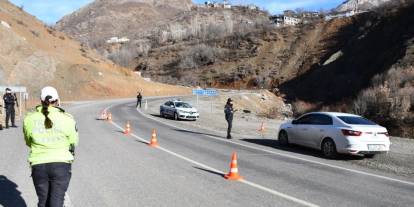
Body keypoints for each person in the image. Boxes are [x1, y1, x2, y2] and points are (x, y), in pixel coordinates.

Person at [23, 86, 79, 207]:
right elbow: (73, 141)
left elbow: (28, 141)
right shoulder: (67, 118)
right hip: (61, 164)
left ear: (41, 100)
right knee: (57, 201)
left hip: (38, 164)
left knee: (43, 200)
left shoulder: (29, 119)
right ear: (57, 100)